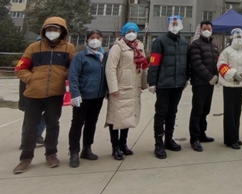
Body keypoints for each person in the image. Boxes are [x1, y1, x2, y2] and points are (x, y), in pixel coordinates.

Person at [13, 17, 76, 174]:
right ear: (44, 31)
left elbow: (73, 68)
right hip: (33, 94)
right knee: (30, 127)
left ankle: (51, 154)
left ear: (62, 31)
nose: (52, 32)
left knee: (53, 125)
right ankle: (26, 158)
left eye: (55, 29)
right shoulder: (33, 48)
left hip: (55, 94)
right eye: (49, 29)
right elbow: (20, 68)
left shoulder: (69, 48)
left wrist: (62, 76)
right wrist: (32, 79)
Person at [147, 15, 189, 159]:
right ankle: (158, 144)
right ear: (168, 25)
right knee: (161, 113)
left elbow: (186, 62)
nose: (175, 25)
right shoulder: (160, 41)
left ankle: (169, 139)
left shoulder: (184, 42)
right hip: (164, 84)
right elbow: (154, 62)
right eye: (173, 23)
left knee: (172, 112)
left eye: (178, 23)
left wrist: (186, 78)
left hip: (178, 84)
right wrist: (152, 82)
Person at [105, 22, 148, 160]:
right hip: (119, 88)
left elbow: (143, 66)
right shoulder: (117, 47)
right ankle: (115, 147)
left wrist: (143, 84)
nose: (131, 33)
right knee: (115, 117)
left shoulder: (139, 46)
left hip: (133, 88)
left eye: (134, 31)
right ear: (124, 33)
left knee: (127, 118)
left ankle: (123, 144)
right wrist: (113, 88)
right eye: (128, 31)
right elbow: (110, 68)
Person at [67, 30, 108, 168]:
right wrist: (75, 93)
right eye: (92, 38)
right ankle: (74, 152)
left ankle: (87, 148)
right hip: (82, 96)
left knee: (91, 123)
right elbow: (73, 76)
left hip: (98, 96)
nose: (95, 40)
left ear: (102, 40)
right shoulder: (80, 56)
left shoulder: (104, 56)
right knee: (77, 123)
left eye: (98, 37)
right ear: (87, 40)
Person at [188, 20, 220, 152]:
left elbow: (217, 62)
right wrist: (209, 77)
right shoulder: (195, 45)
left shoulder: (214, 45)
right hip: (199, 83)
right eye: (204, 29)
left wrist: (216, 75)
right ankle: (194, 138)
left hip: (210, 83)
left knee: (205, 110)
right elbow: (197, 63)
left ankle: (202, 133)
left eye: (209, 29)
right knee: (197, 110)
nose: (207, 31)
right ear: (200, 30)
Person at [218, 28, 242, 149]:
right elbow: (221, 65)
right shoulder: (226, 51)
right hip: (229, 85)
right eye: (236, 37)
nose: (238, 39)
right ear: (231, 38)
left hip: (240, 85)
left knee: (237, 112)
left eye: (240, 36)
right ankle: (229, 139)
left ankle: (235, 136)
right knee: (229, 113)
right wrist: (232, 74)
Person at [18, 80, 45, 149]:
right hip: (30, 93)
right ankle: (27, 140)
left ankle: (34, 136)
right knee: (29, 118)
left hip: (44, 90)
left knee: (49, 114)